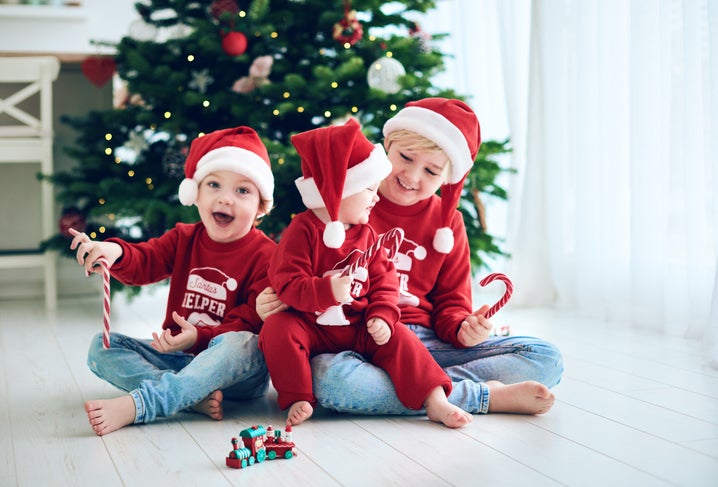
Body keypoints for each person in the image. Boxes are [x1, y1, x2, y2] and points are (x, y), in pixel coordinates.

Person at [258, 98, 563, 416]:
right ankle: (475, 396)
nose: (412, 176)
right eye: (405, 157)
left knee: (545, 358)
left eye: (431, 171)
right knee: (331, 379)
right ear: (386, 145)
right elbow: (290, 273)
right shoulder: (345, 207)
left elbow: (451, 303)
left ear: (447, 179)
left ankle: (425, 385)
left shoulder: (448, 224)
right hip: (356, 339)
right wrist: (267, 301)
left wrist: (463, 328)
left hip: (426, 341)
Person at [257, 118, 473, 428]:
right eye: (369, 189)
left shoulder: (366, 232)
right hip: (312, 326)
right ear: (339, 192)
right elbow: (286, 281)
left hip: (360, 326)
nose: (376, 197)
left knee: (401, 338)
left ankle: (435, 400)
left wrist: (382, 315)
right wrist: (325, 291)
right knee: (278, 329)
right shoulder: (302, 230)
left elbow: (386, 281)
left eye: (431, 170)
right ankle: (298, 395)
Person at [70, 126, 277, 435]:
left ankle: (146, 403)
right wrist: (114, 251)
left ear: (261, 206)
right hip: (178, 360)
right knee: (101, 346)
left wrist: (200, 337)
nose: (226, 199)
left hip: (235, 372)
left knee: (242, 343)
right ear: (195, 194)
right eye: (214, 185)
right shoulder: (183, 238)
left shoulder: (267, 255)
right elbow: (146, 259)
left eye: (242, 190)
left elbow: (250, 321)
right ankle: (189, 396)